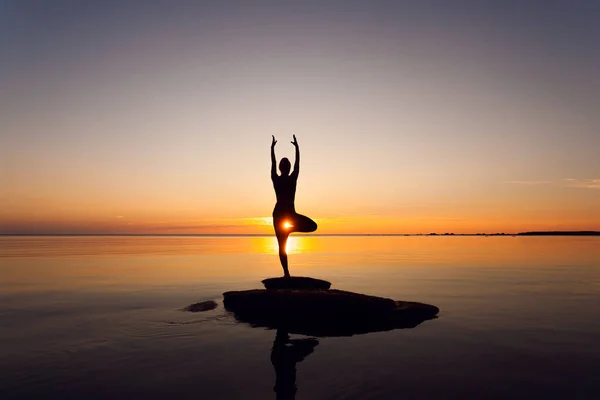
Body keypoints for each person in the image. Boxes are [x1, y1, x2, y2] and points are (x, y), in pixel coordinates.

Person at [271, 135, 317, 277]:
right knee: (312, 226)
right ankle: (286, 274)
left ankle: (286, 273)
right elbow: (298, 164)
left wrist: (272, 149)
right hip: (288, 215)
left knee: (282, 246)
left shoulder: (276, 178)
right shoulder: (292, 178)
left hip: (280, 215)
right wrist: (297, 148)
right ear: (289, 168)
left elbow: (272, 164)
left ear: (280, 168)